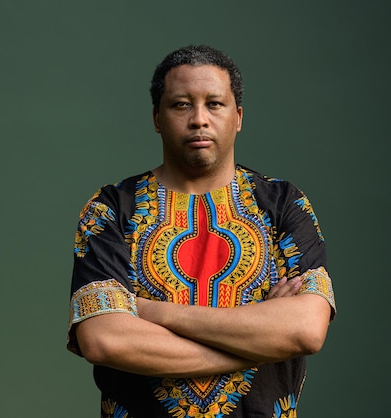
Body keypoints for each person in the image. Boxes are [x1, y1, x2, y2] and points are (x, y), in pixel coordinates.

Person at [67, 45, 336, 418]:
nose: (199, 119)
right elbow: (104, 340)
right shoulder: (111, 208)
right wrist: (259, 341)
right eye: (181, 105)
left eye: (214, 104)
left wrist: (149, 312)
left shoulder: (283, 204)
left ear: (238, 117)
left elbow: (305, 330)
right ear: (157, 118)